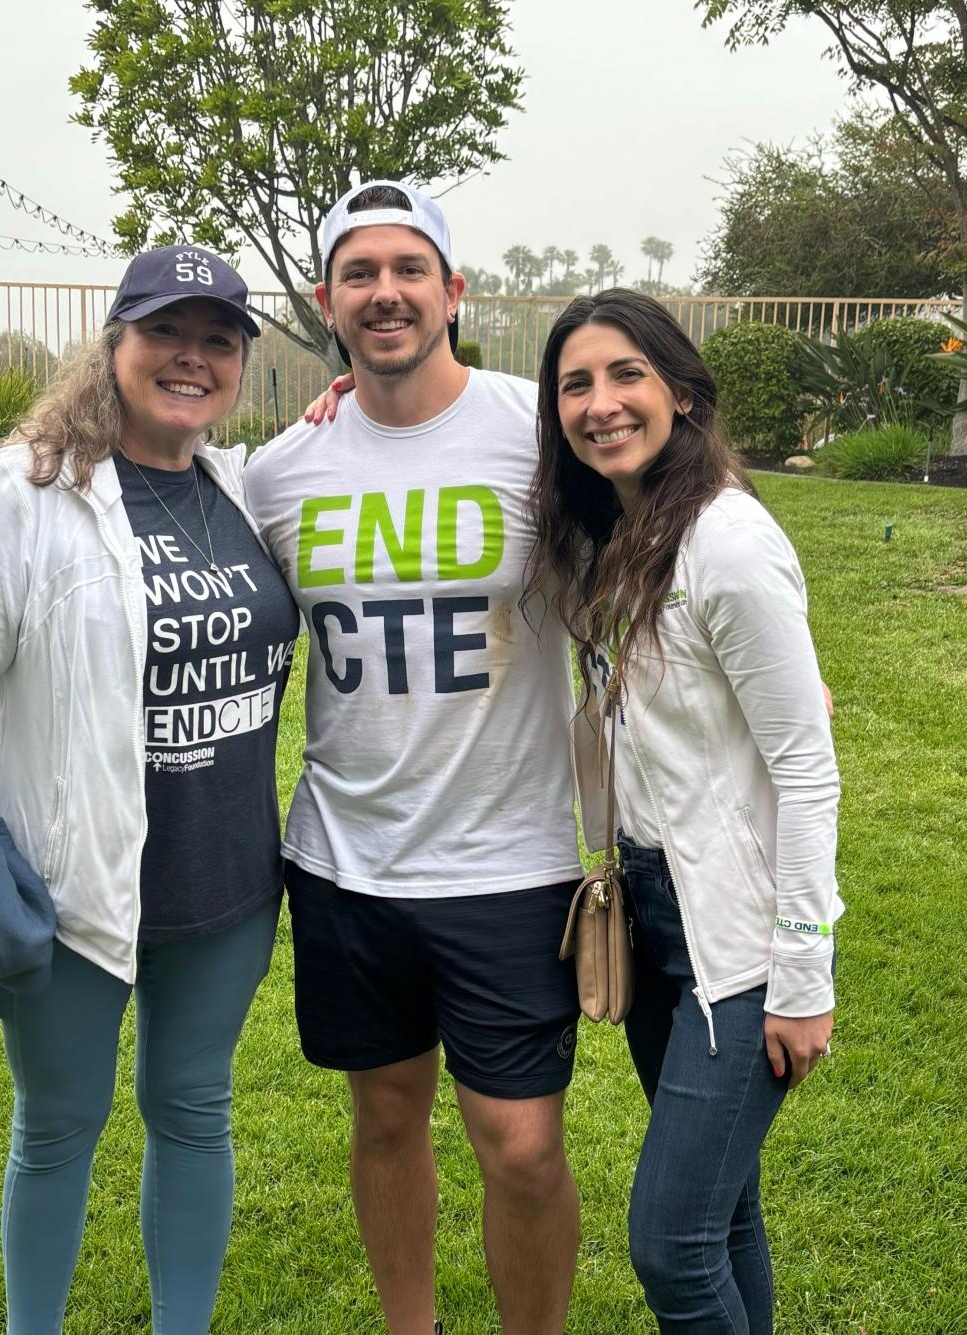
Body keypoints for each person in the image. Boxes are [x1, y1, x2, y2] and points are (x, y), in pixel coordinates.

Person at [0, 245, 299, 1334]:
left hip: (227, 881)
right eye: (166, 333)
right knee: (58, 1126)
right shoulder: (25, 490)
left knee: (194, 1110)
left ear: (241, 366)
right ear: (114, 346)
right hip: (68, 890)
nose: (191, 359)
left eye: (218, 341)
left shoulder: (236, 486)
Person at [244, 182, 583, 1335]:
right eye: (359, 273)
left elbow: (680, 508)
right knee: (385, 1119)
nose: (384, 292)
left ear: (453, 290)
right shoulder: (279, 473)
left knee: (524, 1146)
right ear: (329, 302)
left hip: (511, 857)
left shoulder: (536, 432)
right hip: (348, 862)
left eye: (408, 268)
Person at [526, 288, 841, 1333]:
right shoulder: (616, 539)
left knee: (671, 1246)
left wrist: (802, 973)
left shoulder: (727, 543)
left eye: (627, 376)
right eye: (576, 384)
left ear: (685, 396)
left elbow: (807, 766)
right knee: (725, 1214)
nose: (601, 404)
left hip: (741, 949)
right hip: (656, 923)